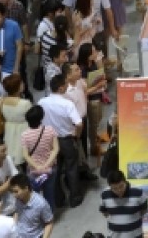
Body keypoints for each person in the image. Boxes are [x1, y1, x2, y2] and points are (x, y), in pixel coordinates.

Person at [38, 74, 82, 208]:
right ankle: (75, 197)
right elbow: (79, 123)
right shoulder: (67, 104)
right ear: (61, 87)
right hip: (66, 139)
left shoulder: (42, 102)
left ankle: (58, 199)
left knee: (55, 171)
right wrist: (76, 135)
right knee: (72, 168)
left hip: (50, 141)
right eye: (66, 84)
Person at [100, 170, 148, 238]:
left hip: (136, 235)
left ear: (125, 181)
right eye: (115, 188)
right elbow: (105, 213)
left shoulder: (138, 192)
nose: (119, 190)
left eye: (121, 186)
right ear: (110, 186)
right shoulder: (105, 194)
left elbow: (144, 210)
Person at [9, 173, 54, 238]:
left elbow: (49, 223)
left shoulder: (41, 204)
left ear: (26, 188)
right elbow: (17, 212)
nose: (14, 195)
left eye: (16, 191)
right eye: (12, 192)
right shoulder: (18, 199)